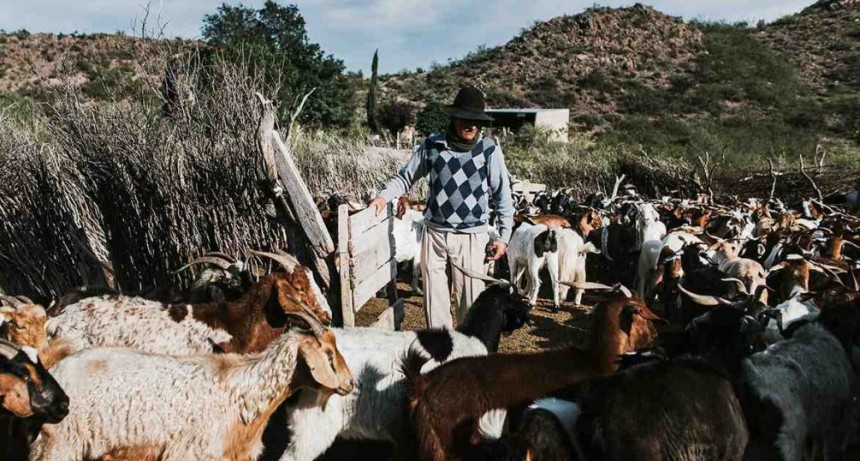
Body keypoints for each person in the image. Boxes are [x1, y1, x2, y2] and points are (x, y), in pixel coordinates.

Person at [369, 86, 514, 328]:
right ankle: (441, 359)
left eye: (476, 121)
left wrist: (504, 237)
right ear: (455, 118)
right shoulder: (433, 145)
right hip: (434, 235)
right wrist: (383, 197)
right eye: (466, 120)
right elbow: (405, 177)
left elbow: (503, 196)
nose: (471, 126)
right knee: (434, 308)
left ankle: (469, 361)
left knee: (471, 305)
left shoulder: (488, 150)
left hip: (471, 237)